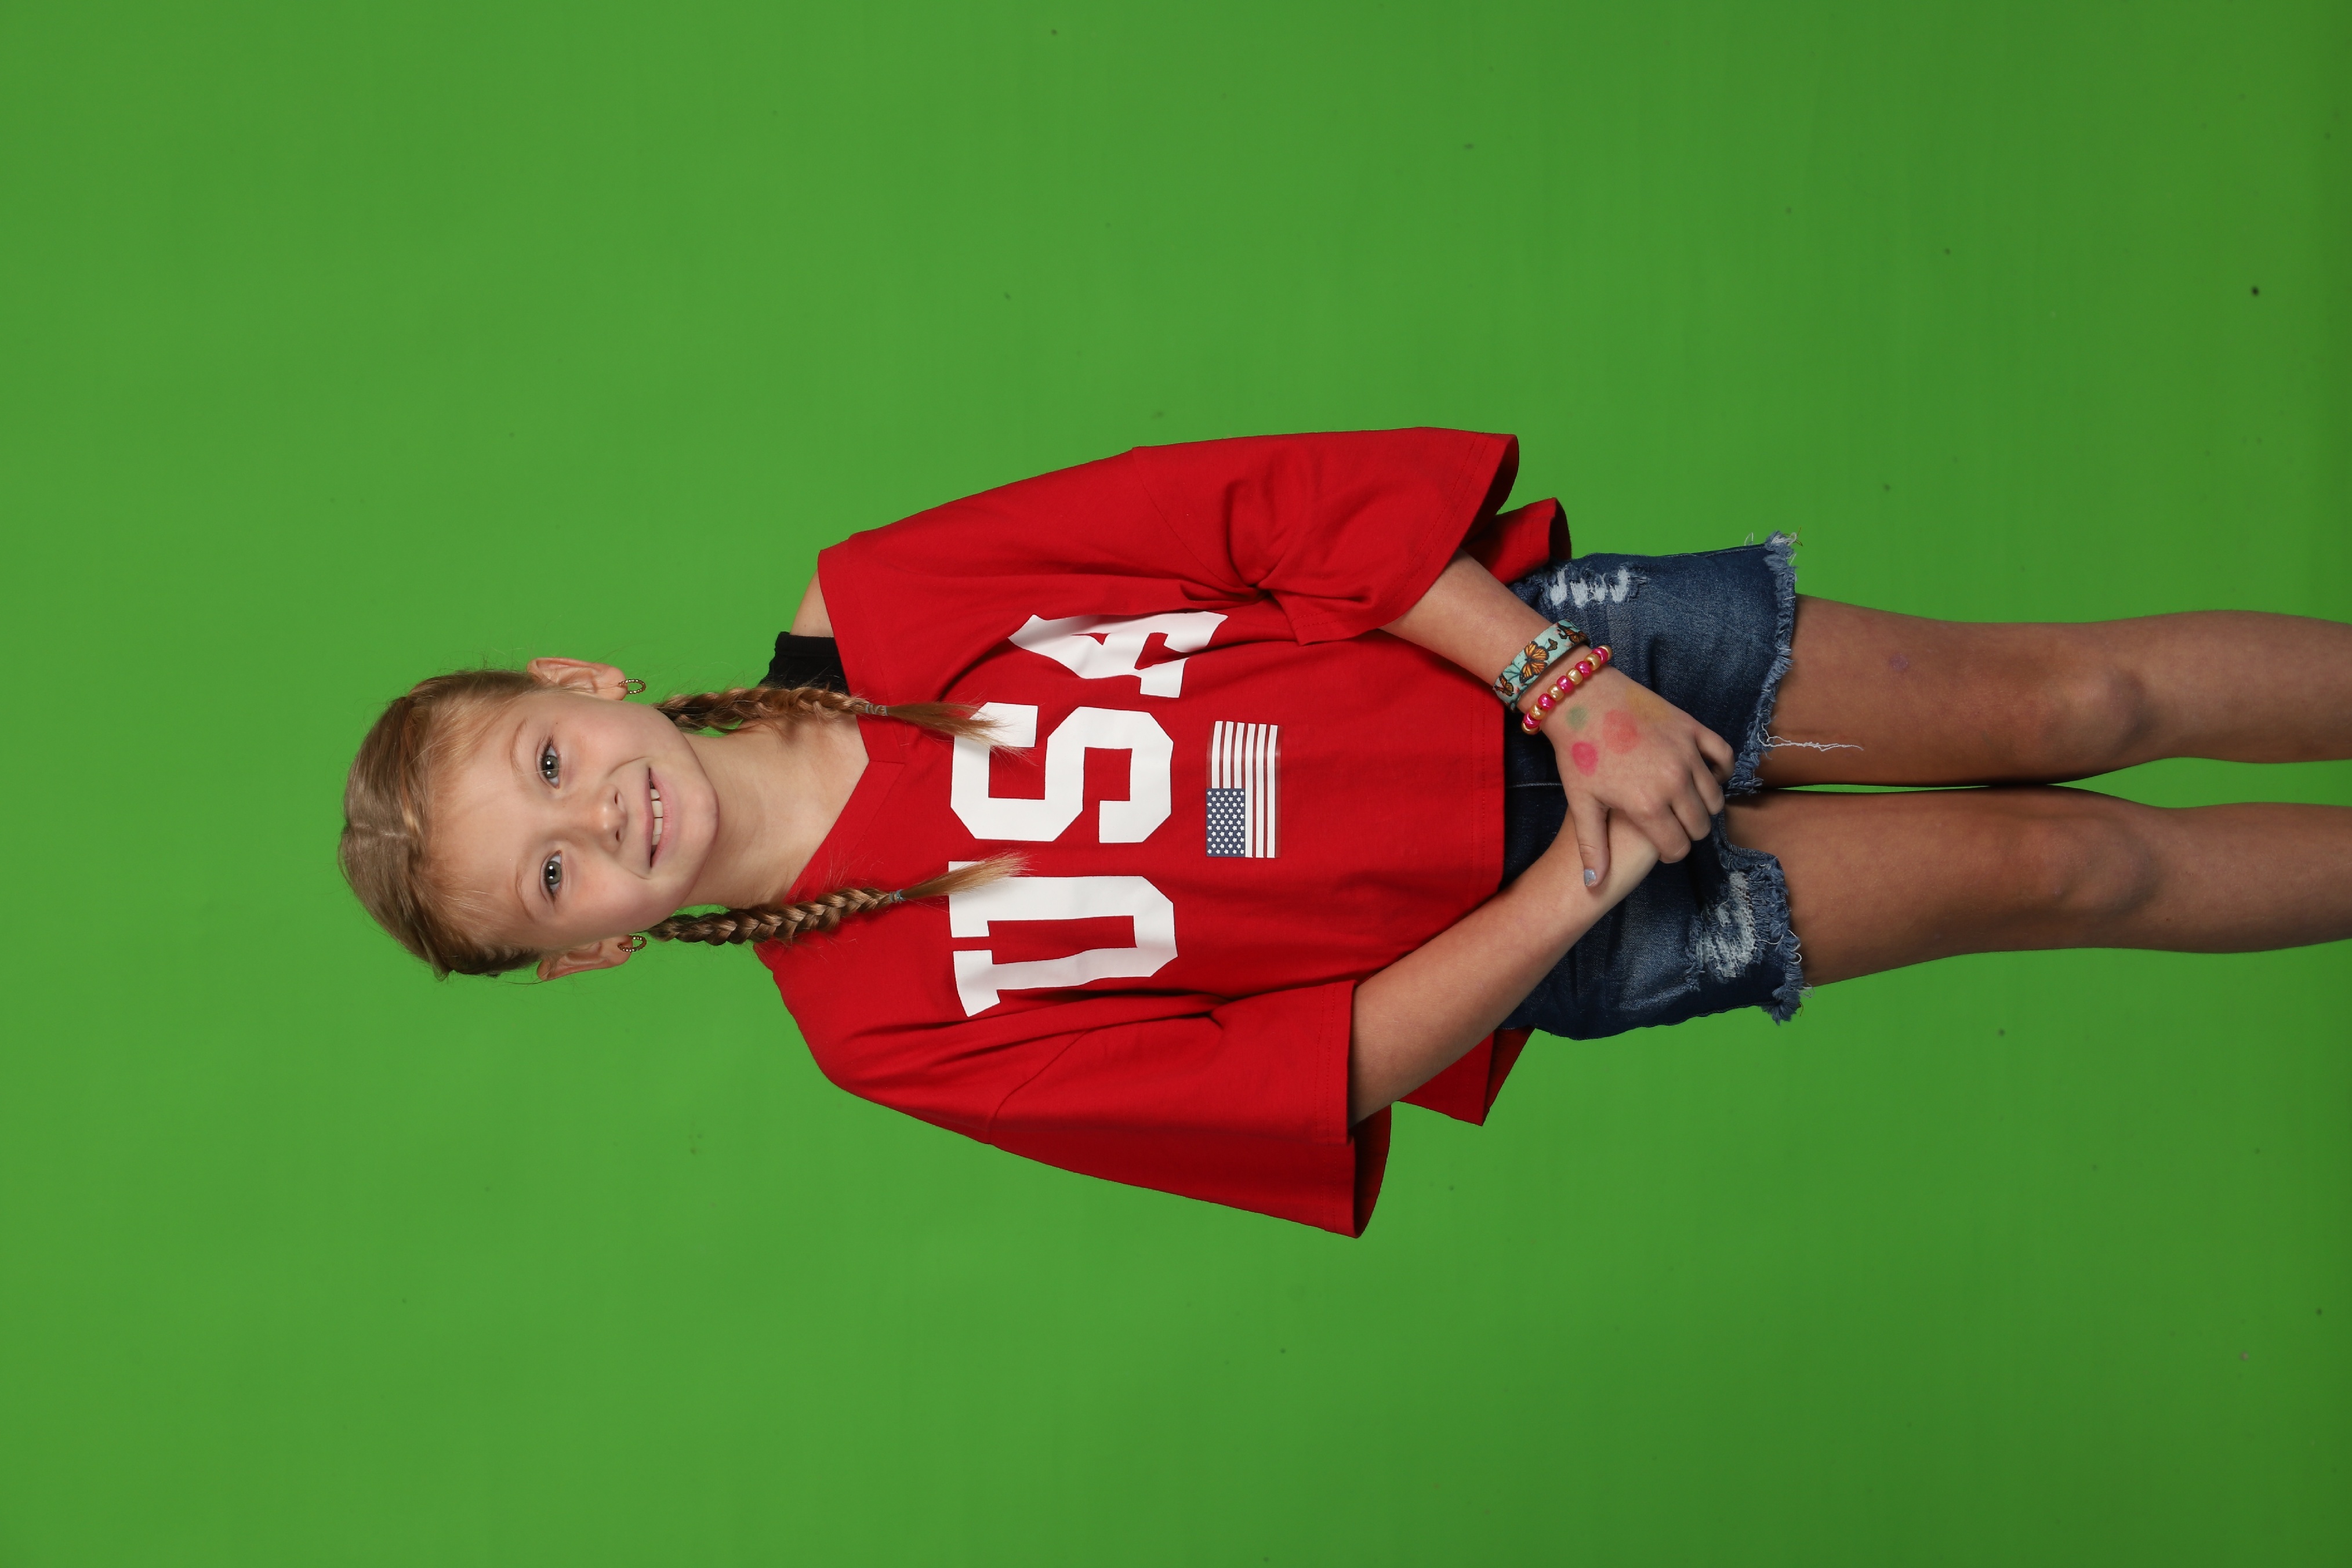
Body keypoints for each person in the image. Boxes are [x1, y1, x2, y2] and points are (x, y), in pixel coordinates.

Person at [340, 429, 2352, 1234]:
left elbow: (1261, 518)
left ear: (578, 679)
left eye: (546, 760)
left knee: (2075, 711)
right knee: (2065, 866)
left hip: (1556, 668)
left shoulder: (874, 599)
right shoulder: (879, 1031)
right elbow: (1298, 1072)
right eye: (552, 878)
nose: (597, 817)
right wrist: (1583, 877)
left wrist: (1563, 691)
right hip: (1566, 913)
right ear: (593, 950)